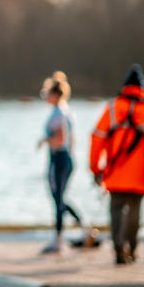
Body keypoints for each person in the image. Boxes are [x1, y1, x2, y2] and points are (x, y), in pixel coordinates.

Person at [89, 64, 144, 265]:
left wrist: (95, 168)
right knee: (134, 214)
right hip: (140, 175)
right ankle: (132, 248)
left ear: (125, 87)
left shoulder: (113, 108)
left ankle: (118, 249)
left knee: (116, 212)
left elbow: (97, 139)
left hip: (115, 174)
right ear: (143, 89)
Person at [35, 71, 92, 254]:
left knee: (58, 199)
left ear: (56, 94)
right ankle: (85, 229)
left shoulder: (58, 114)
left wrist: (44, 140)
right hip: (66, 157)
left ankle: (59, 241)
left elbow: (59, 139)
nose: (45, 96)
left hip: (58, 158)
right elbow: (71, 140)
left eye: (48, 93)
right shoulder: (66, 112)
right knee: (60, 199)